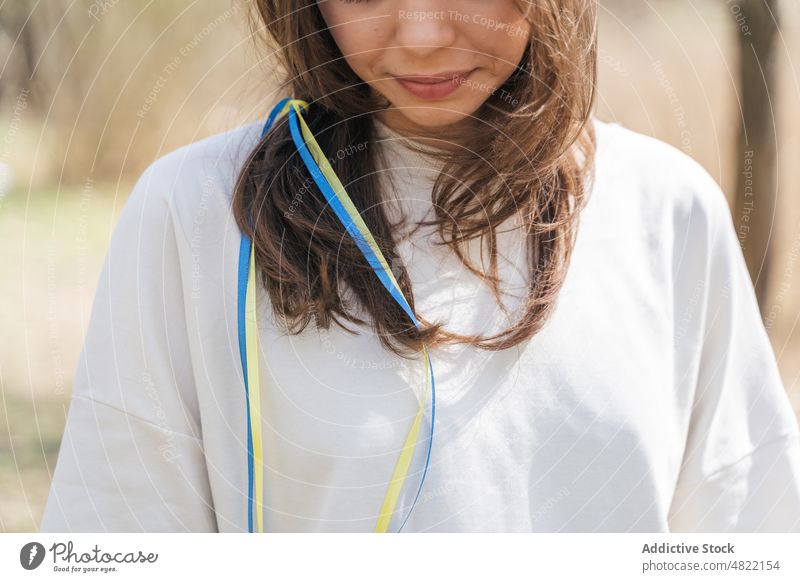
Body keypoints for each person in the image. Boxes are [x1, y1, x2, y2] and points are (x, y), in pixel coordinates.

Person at [40, 0, 800, 533]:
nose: (426, 33)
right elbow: (123, 530)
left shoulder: (668, 210)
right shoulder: (193, 213)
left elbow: (746, 531)